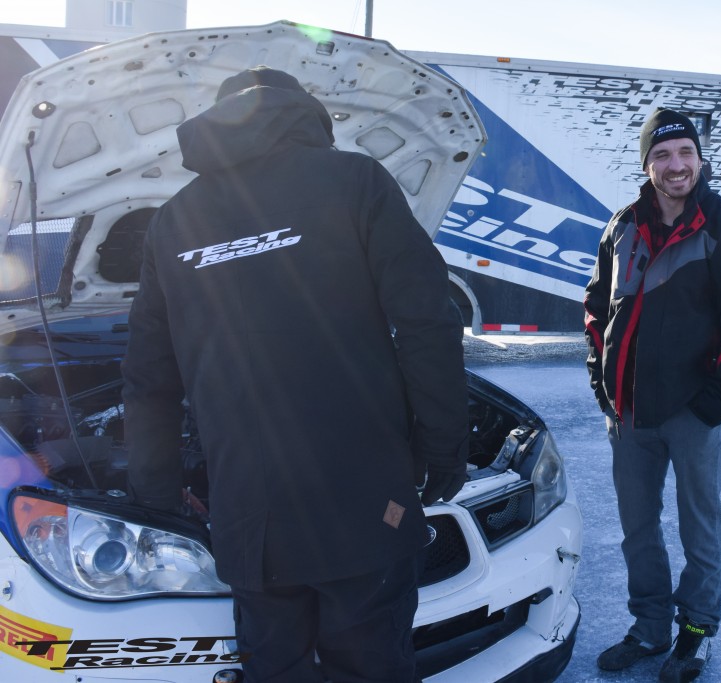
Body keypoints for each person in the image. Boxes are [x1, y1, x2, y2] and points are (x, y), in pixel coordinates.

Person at [122, 66, 469, 682]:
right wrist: (443, 447)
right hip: (364, 504)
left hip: (248, 518)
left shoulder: (174, 222)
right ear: (302, 112)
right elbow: (427, 324)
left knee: (274, 671)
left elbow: (150, 375)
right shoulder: (355, 181)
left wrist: (155, 490)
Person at [584, 108, 721, 682]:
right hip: (631, 410)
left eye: (685, 153)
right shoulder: (622, 225)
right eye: (663, 155)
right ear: (647, 163)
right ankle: (649, 628)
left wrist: (716, 398)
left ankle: (695, 631)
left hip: (695, 410)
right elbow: (597, 307)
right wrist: (601, 376)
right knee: (637, 528)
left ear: (699, 158)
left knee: (700, 526)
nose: (676, 165)